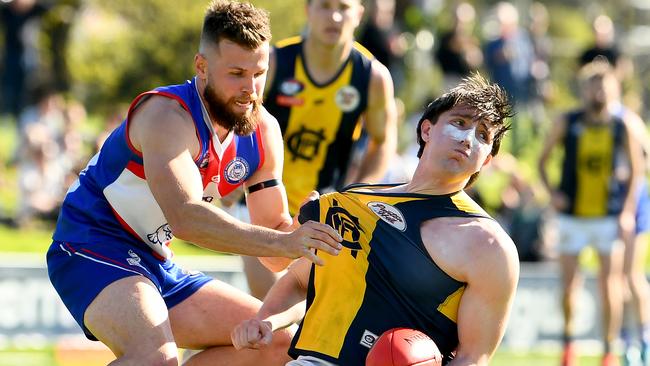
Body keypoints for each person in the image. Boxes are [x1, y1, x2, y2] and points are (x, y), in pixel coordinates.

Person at [46, 2, 343, 365]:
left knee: (279, 341)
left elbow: (272, 254)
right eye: (236, 73)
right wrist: (285, 240)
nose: (250, 89)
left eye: (259, 73)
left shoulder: (263, 130)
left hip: (154, 261)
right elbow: (187, 218)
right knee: (155, 358)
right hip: (91, 246)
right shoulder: (166, 116)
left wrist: (302, 228)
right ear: (201, 67)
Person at [231, 73, 520, 365]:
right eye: (459, 123)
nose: (468, 138)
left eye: (483, 134)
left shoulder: (490, 246)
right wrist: (264, 321)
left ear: (486, 160)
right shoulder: (350, 202)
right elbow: (300, 281)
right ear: (426, 130)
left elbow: (473, 357)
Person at [236, 0, 398, 299]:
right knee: (268, 304)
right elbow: (237, 120)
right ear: (308, 10)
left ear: (359, 14)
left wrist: (358, 191)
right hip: (261, 203)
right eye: (324, 5)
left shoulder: (372, 76)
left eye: (343, 7)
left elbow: (383, 140)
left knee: (305, 314)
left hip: (323, 209)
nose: (334, 16)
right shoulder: (273, 62)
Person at [537, 61, 644, 366]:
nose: (598, 91)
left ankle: (609, 350)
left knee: (610, 284)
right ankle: (569, 343)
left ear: (614, 89)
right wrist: (552, 193)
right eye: (593, 85)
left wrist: (626, 211)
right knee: (570, 284)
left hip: (608, 215)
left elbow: (637, 170)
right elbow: (543, 160)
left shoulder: (622, 125)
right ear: (584, 89)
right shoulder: (567, 121)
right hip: (572, 213)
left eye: (604, 85)